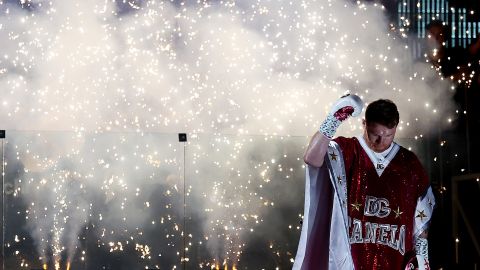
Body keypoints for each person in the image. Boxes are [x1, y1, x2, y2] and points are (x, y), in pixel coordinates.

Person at [293, 95, 435, 270]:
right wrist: (333, 119)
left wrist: (421, 258)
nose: (381, 141)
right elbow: (311, 158)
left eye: (389, 135)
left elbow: (422, 216)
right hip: (350, 259)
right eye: (375, 134)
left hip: (394, 261)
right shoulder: (347, 149)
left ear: (396, 128)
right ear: (364, 123)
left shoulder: (409, 162)